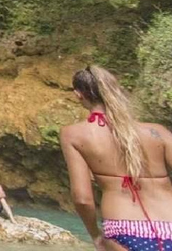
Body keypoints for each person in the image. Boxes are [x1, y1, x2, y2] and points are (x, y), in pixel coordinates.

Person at [60, 65, 172, 251]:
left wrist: (96, 236)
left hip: (125, 230)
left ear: (78, 95)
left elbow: (82, 198)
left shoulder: (74, 135)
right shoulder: (157, 132)